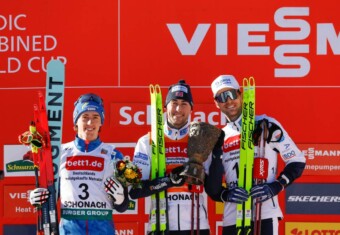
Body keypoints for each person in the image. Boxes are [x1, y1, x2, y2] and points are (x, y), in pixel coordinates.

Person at [209, 75, 306, 235]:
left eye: (232, 94)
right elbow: (211, 183)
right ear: (216, 103)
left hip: (265, 212)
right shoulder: (219, 137)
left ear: (240, 95)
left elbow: (297, 160)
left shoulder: (266, 124)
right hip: (233, 216)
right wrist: (224, 194)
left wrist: (277, 185)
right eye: (222, 97)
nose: (229, 101)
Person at [129, 80, 224, 235]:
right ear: (166, 106)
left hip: (197, 226)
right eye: (174, 103)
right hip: (159, 226)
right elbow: (135, 190)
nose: (178, 109)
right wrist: (168, 181)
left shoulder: (201, 139)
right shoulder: (148, 141)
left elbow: (213, 190)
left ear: (191, 108)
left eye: (184, 103)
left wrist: (216, 152)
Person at [29, 93, 129, 234]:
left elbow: (123, 207)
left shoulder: (114, 155)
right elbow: (51, 194)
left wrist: (120, 198)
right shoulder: (60, 153)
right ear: (76, 121)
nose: (90, 123)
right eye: (85, 117)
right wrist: (37, 198)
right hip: (69, 231)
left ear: (101, 122)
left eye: (95, 117)